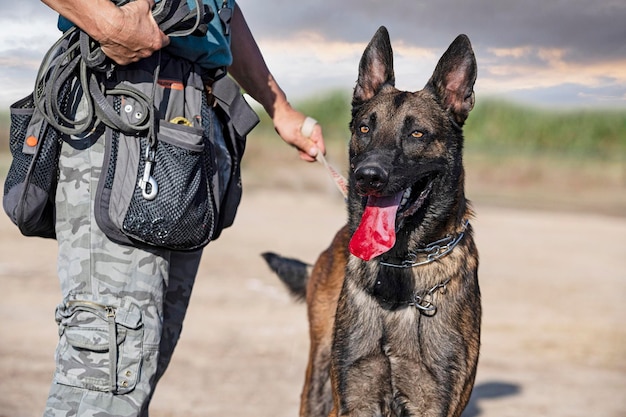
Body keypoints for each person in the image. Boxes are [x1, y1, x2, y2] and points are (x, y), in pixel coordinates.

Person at [37, 0, 326, 415]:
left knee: (142, 360)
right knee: (108, 370)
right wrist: (105, 19)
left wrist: (278, 107)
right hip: (123, 101)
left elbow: (220, 8)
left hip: (190, 117)